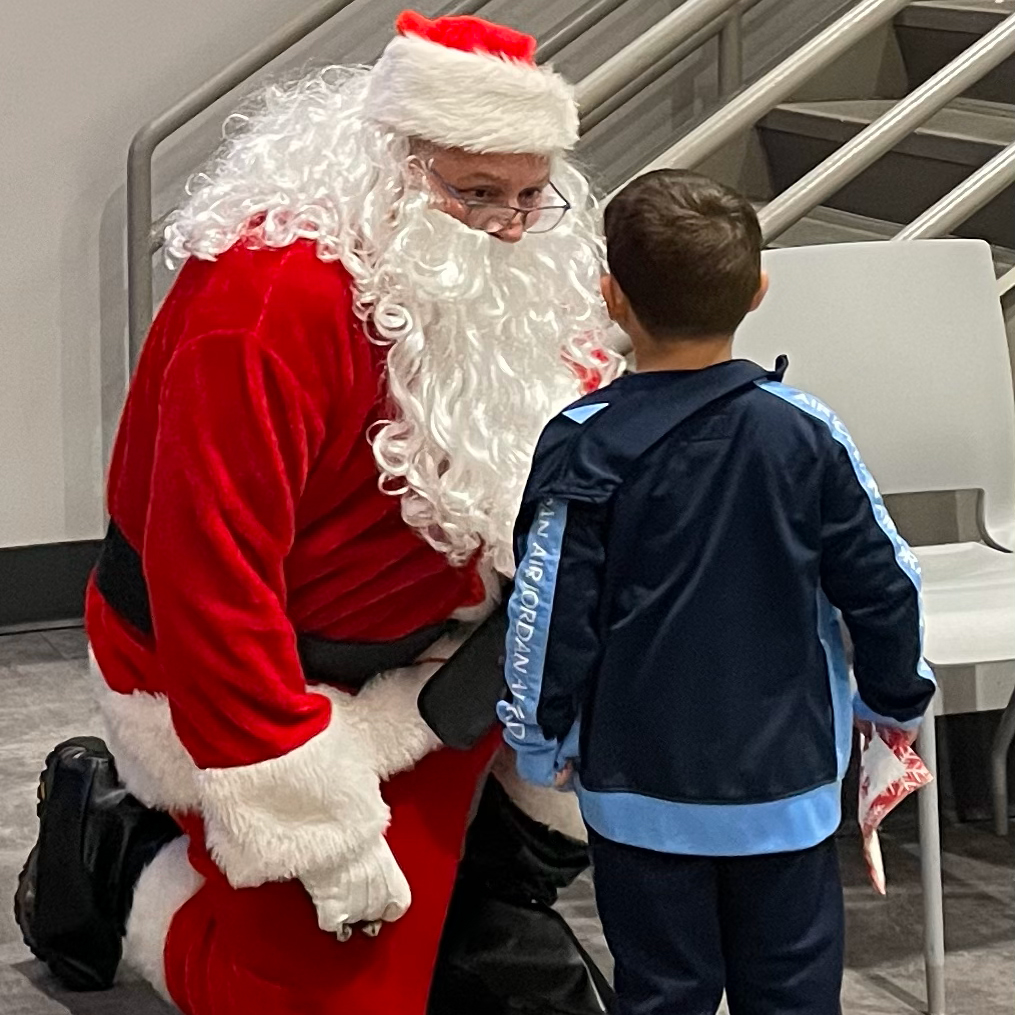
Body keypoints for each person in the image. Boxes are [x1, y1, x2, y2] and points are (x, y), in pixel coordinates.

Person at [14, 12, 624, 1015]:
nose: (512, 227)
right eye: (477, 194)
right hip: (270, 693)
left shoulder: (526, 277)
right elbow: (208, 582)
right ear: (386, 165)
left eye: (529, 194)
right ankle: (118, 860)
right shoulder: (265, 303)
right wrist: (313, 820)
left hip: (451, 665)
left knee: (566, 825)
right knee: (313, 1003)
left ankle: (475, 905)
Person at [499, 169, 936, 1015]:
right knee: (795, 993)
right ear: (757, 290)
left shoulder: (580, 442)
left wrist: (537, 735)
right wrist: (893, 700)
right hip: (789, 786)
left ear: (611, 298)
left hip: (637, 788)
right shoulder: (806, 431)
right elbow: (884, 584)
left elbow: (547, 609)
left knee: (662, 990)